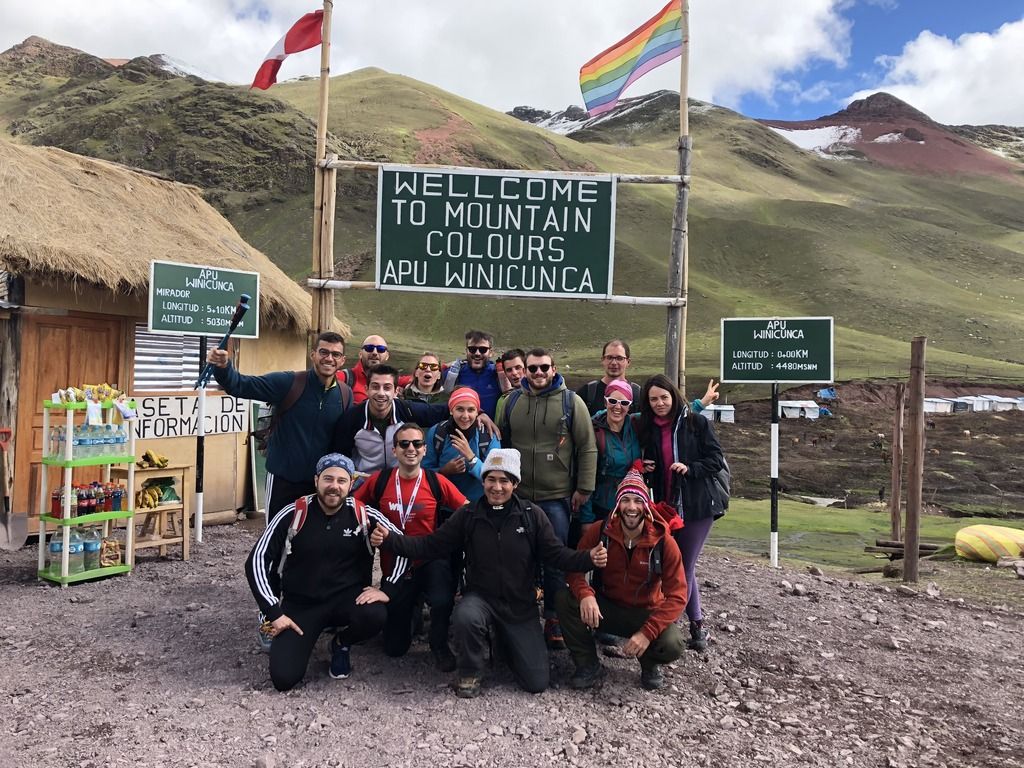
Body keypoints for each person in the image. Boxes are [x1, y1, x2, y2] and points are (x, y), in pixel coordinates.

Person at [370, 449, 608, 698]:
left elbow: (556, 554)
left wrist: (588, 558)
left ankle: (504, 639)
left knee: (536, 682)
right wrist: (391, 541)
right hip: (481, 598)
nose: (497, 487)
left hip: (520, 606)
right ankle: (470, 670)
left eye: (504, 480)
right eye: (491, 479)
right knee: (465, 616)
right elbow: (430, 545)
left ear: (515, 484)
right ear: (482, 481)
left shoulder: (531, 516)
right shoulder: (468, 515)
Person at [244, 453, 403, 691]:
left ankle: (342, 643)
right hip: (301, 605)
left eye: (341, 481)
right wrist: (273, 611)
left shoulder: (362, 514)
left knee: (375, 614)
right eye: (328, 479)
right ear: (316, 480)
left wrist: (387, 588)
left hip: (347, 600)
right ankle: (269, 626)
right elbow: (256, 560)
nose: (334, 487)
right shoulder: (294, 512)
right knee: (284, 679)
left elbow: (403, 545)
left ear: (351, 484)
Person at [500, 348, 597, 649]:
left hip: (556, 497)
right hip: (517, 495)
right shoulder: (511, 402)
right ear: (525, 371)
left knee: (554, 560)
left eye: (544, 368)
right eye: (533, 368)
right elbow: (501, 443)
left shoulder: (572, 402)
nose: (538, 373)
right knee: (518, 557)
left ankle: (554, 618)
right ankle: (524, 614)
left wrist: (584, 489)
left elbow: (587, 447)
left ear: (554, 369)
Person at [557, 469, 687, 690]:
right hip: (607, 607)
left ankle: (649, 663)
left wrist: (648, 632)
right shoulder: (600, 531)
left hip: (645, 611)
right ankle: (587, 663)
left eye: (638, 500)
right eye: (625, 500)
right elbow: (574, 568)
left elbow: (678, 595)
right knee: (564, 599)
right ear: (617, 505)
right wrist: (586, 594)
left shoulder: (664, 542)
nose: (632, 507)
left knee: (673, 644)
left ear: (646, 506)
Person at [354, 424, 467, 672]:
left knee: (441, 599)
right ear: (394, 450)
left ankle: (438, 644)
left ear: (425, 450)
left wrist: (450, 537)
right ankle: (411, 613)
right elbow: (354, 508)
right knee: (395, 649)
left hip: (429, 559)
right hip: (395, 566)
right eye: (404, 444)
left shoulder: (436, 481)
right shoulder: (380, 480)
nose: (411, 449)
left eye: (417, 444)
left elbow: (467, 509)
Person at [207, 331, 353, 518]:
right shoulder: (289, 383)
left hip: (319, 486)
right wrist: (223, 367)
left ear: (342, 361)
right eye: (324, 352)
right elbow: (240, 385)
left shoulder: (345, 395)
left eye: (335, 354)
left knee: (311, 543)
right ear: (313, 354)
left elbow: (342, 441)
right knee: (276, 539)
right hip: (282, 481)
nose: (329, 358)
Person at [637, 374, 726, 652]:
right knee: (681, 565)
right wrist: (646, 466)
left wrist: (690, 468)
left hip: (699, 506)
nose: (659, 403)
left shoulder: (695, 423)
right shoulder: (648, 429)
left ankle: (668, 626)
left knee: (683, 566)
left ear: (674, 396)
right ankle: (697, 625)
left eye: (664, 397)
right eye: (653, 399)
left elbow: (715, 459)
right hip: (668, 506)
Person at [332, 365, 451, 478]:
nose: (381, 393)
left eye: (387, 387)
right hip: (364, 481)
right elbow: (340, 458)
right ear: (366, 389)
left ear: (396, 391)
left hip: (400, 480)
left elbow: (440, 411)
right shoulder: (351, 419)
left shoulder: (407, 410)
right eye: (375, 386)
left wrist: (464, 397)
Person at [579, 379, 643, 537]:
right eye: (612, 401)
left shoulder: (636, 424)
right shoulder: (593, 431)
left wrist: (699, 405)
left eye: (624, 402)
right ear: (605, 402)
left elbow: (666, 415)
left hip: (632, 507)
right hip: (601, 508)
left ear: (630, 405)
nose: (617, 406)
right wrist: (586, 520)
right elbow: (586, 475)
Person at [423, 387, 498, 504]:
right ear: (451, 410)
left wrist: (472, 458)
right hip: (445, 506)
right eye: (460, 409)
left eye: (471, 410)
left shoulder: (488, 435)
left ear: (477, 412)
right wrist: (443, 471)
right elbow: (423, 473)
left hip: (480, 506)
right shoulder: (437, 433)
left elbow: (496, 477)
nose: (465, 416)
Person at [440, 330, 502, 419]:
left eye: (483, 349)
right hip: (460, 427)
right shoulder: (454, 373)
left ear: (491, 352)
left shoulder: (499, 374)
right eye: (472, 349)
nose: (477, 353)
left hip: (491, 430)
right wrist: (444, 366)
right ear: (466, 351)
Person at [576, 339, 643, 416]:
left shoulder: (638, 394)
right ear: (602, 360)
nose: (614, 363)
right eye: (609, 357)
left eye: (619, 358)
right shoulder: (587, 392)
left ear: (628, 362)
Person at [337, 334, 411, 403]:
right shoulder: (344, 377)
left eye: (380, 349)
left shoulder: (392, 379)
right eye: (369, 348)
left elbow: (417, 378)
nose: (374, 352)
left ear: (387, 356)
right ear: (360, 354)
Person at [494, 348, 526, 424]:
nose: (514, 373)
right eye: (509, 370)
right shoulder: (502, 401)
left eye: (518, 368)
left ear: (526, 368)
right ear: (505, 373)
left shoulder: (541, 395)